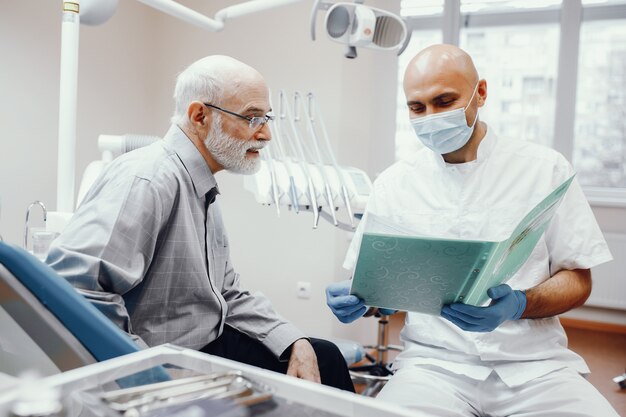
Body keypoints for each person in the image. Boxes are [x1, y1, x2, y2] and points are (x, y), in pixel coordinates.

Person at [326, 44, 620, 415]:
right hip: (433, 367)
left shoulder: (544, 170)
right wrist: (362, 301)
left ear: (480, 92)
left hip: (535, 368)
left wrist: (519, 304)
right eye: (417, 107)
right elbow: (381, 289)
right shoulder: (395, 184)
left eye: (444, 101)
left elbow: (578, 278)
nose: (430, 117)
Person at [47, 55, 353, 392]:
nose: (266, 134)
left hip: (203, 347)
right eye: (252, 118)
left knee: (323, 358)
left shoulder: (201, 186)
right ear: (199, 116)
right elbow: (77, 290)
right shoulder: (149, 179)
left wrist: (294, 341)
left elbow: (226, 292)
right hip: (157, 361)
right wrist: (154, 374)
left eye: (266, 118)